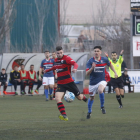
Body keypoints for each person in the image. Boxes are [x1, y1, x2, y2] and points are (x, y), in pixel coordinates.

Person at [44, 46, 87, 121]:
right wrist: (47, 70)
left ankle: (85, 99)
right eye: (58, 53)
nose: (59, 54)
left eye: (61, 53)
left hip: (69, 82)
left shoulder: (67, 58)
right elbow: (55, 67)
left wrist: (75, 68)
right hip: (61, 83)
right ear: (56, 53)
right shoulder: (56, 60)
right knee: (57, 98)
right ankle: (64, 115)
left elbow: (75, 64)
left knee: (79, 97)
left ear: (63, 52)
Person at [86, 46, 118, 119]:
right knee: (91, 98)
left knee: (100, 90)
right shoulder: (90, 61)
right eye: (95, 51)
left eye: (97, 51)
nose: (96, 52)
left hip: (102, 80)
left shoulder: (104, 59)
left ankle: (102, 107)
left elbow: (111, 65)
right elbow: (87, 73)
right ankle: (89, 111)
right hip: (93, 82)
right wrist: (92, 68)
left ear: (100, 52)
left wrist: (115, 72)